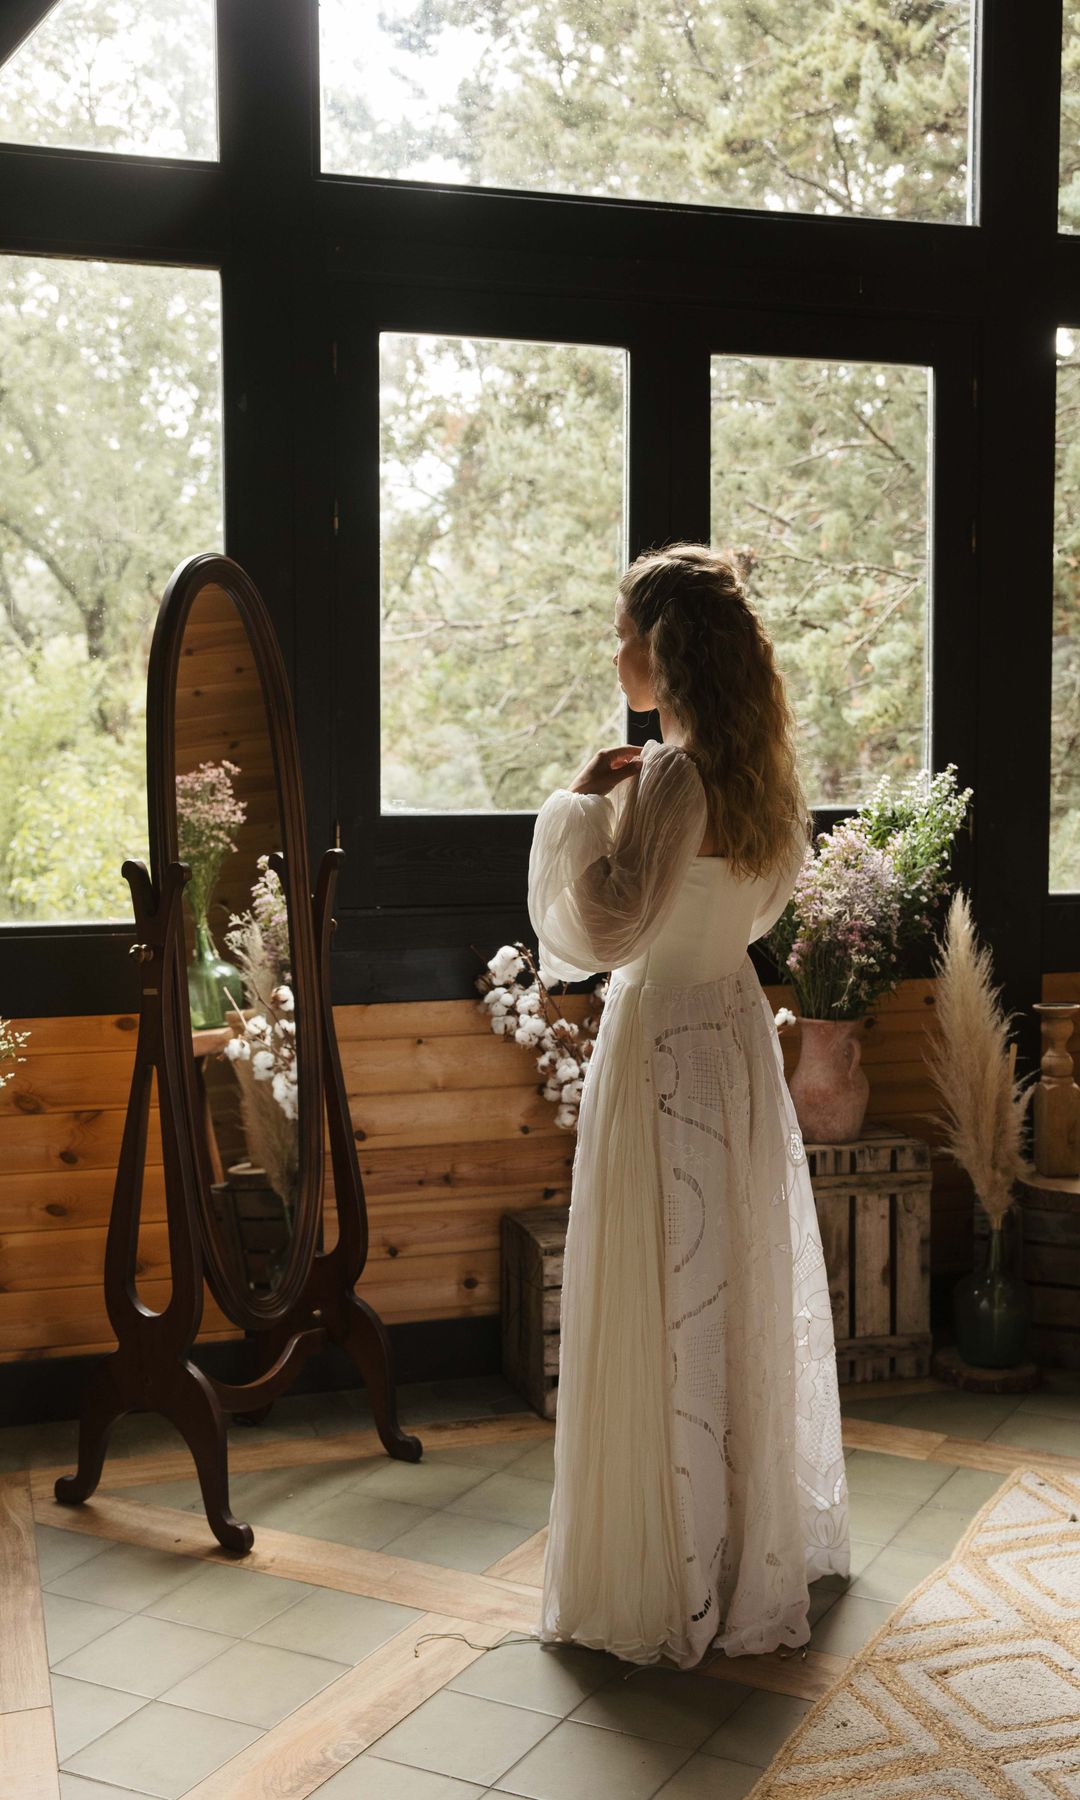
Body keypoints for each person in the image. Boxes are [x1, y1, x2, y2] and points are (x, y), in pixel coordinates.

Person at [526, 541, 850, 1670]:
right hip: (734, 1034)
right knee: (730, 1288)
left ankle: (668, 1563)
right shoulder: (762, 777)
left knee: (659, 1292)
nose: (616, 651)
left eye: (627, 632)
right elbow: (751, 915)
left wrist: (574, 806)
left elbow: (602, 932)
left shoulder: (670, 777)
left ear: (665, 651)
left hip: (662, 1036)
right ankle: (738, 1545)